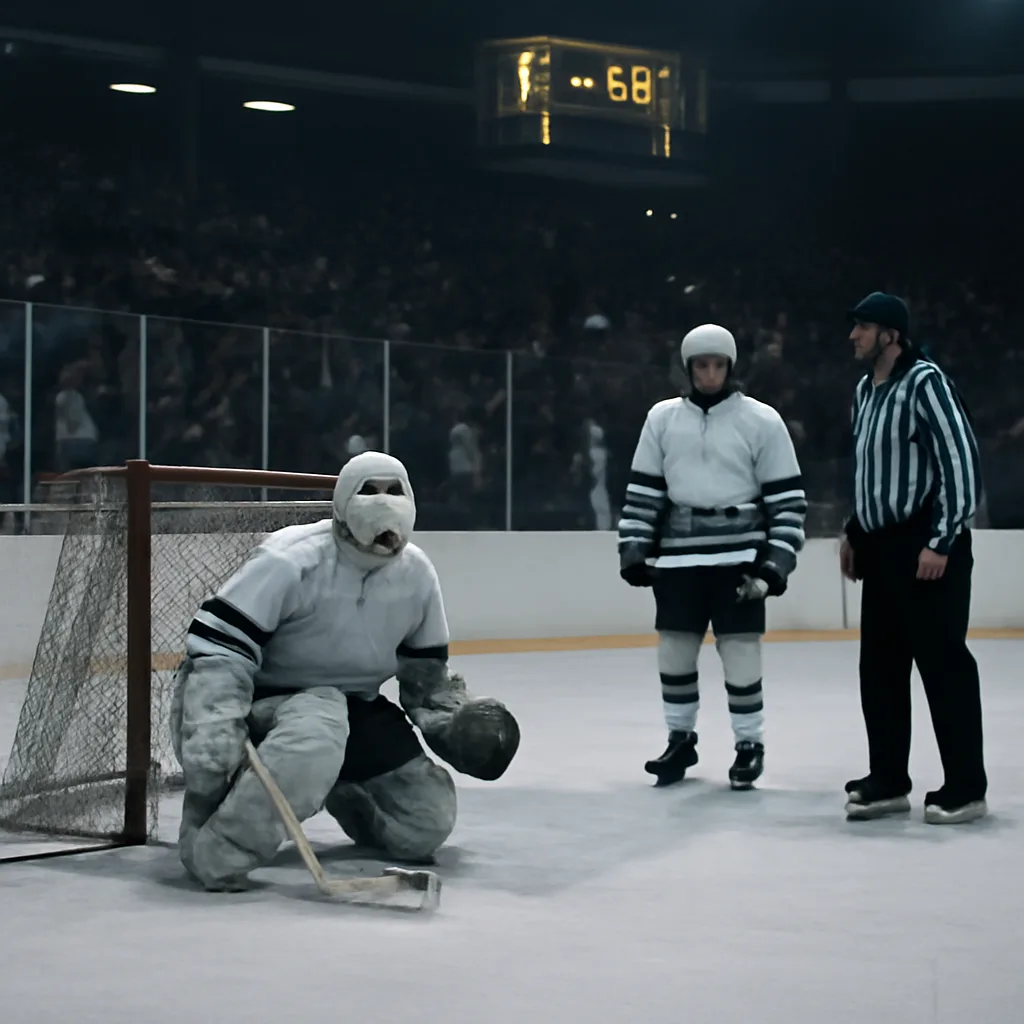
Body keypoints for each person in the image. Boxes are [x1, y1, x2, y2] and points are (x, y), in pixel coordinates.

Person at [170, 451, 520, 891]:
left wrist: (456, 729)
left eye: (395, 490)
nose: (383, 501)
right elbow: (220, 651)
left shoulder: (416, 574)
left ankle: (332, 785)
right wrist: (214, 731)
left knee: (424, 824)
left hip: (355, 707)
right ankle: (216, 852)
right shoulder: (290, 560)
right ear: (340, 504)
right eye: (368, 490)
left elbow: (425, 680)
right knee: (319, 728)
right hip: (264, 705)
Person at [618, 324, 806, 789]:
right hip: (679, 561)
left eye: (718, 365)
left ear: (731, 367)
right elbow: (643, 493)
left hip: (739, 559)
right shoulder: (661, 419)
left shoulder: (762, 421)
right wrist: (633, 548)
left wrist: (774, 564)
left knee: (741, 654)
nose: (709, 373)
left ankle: (749, 744)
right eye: (701, 365)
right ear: (687, 369)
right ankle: (680, 739)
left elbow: (787, 503)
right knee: (674, 652)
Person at [840, 292, 987, 825]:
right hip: (880, 550)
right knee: (878, 668)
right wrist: (854, 532)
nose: (853, 336)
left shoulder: (926, 381)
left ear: (891, 335)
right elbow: (866, 471)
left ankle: (967, 786)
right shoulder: (864, 391)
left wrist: (942, 540)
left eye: (863, 327)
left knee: (944, 667)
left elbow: (960, 461)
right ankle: (887, 780)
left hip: (924, 546)